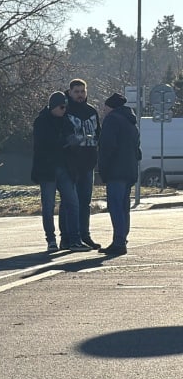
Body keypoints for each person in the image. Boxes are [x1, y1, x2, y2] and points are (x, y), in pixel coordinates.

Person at [31, 91, 91, 252]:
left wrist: (75, 143)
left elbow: (71, 140)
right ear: (53, 106)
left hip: (65, 168)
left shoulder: (66, 121)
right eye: (61, 107)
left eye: (66, 107)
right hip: (47, 169)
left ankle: (74, 239)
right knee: (48, 205)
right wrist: (65, 142)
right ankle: (51, 239)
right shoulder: (41, 121)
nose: (64, 110)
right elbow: (42, 145)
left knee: (73, 203)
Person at [97, 92, 141, 255]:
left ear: (111, 107)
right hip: (129, 169)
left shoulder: (112, 120)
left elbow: (107, 147)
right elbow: (138, 148)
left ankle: (119, 242)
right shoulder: (131, 122)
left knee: (115, 206)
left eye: (105, 107)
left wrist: (103, 169)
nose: (103, 110)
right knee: (123, 207)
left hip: (116, 170)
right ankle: (122, 239)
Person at [60, 78, 101, 249]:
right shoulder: (65, 111)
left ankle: (85, 235)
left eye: (82, 91)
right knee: (69, 202)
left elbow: (98, 133)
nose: (80, 95)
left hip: (88, 163)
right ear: (70, 92)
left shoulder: (91, 111)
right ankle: (66, 237)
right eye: (76, 91)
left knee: (85, 202)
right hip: (70, 164)